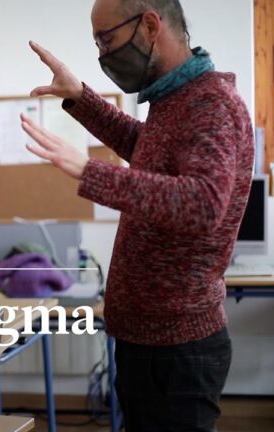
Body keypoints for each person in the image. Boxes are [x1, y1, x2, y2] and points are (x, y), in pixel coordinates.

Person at [21, 0, 253, 430]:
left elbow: (204, 204)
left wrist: (91, 172)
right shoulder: (177, 98)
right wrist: (81, 97)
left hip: (177, 347)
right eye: (97, 43)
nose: (103, 54)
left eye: (106, 39)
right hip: (148, 339)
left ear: (150, 25)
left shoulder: (211, 103)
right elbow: (148, 150)